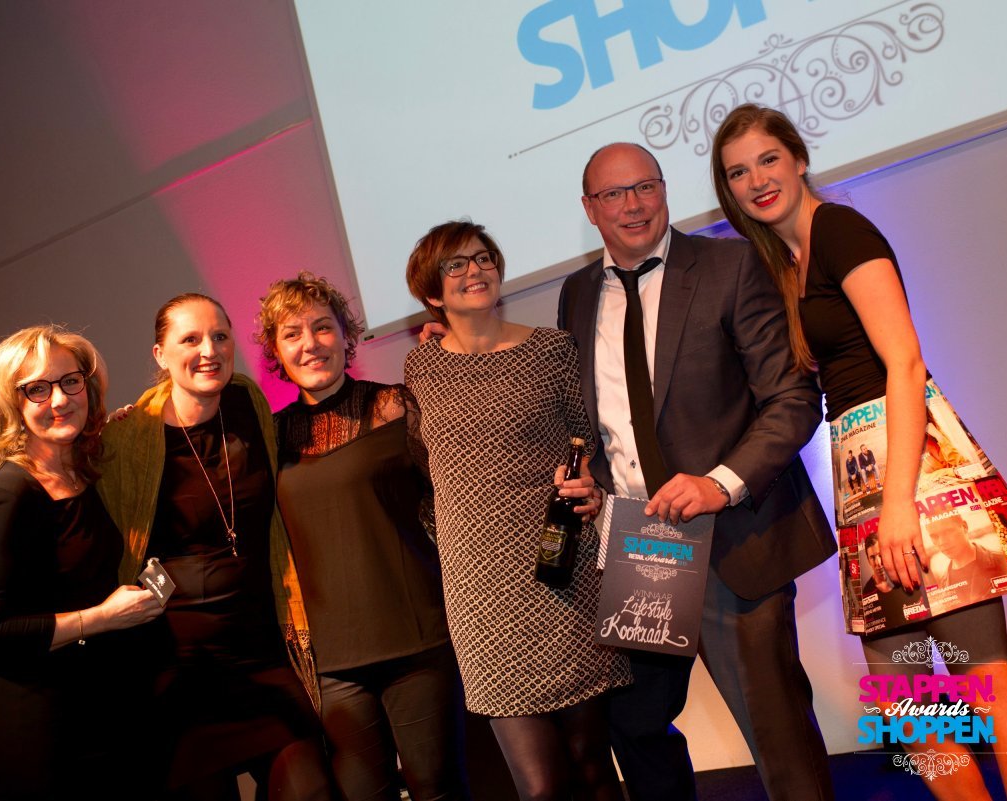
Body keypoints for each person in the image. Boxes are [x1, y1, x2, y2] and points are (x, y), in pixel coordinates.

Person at [712, 102, 1007, 801]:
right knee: (904, 695)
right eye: (738, 172)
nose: (757, 180)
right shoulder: (787, 260)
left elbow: (904, 362)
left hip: (912, 469)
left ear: (799, 159)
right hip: (863, 472)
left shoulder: (840, 229)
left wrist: (899, 503)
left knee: (982, 671)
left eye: (768, 160)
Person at [560, 142, 836, 801]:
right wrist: (590, 481)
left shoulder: (728, 266)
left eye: (645, 187)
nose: (633, 205)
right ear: (590, 209)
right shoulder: (577, 293)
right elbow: (598, 414)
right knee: (634, 725)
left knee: (774, 731)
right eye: (614, 194)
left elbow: (793, 398)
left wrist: (719, 483)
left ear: (664, 190)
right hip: (637, 546)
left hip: (731, 540)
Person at [404, 220, 631, 801]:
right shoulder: (421, 369)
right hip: (480, 595)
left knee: (591, 764)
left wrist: (591, 491)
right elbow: (427, 473)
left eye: (483, 258)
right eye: (456, 264)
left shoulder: (551, 350)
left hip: (559, 574)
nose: (475, 270)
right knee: (540, 787)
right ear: (431, 291)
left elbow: (589, 443)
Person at [97, 293, 335, 800]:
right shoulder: (126, 439)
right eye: (190, 339)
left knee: (312, 788)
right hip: (178, 671)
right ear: (160, 354)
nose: (209, 350)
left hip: (261, 653)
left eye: (220, 336)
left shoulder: (246, 402)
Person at [256, 273, 467, 801]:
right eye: (292, 334)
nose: (310, 344)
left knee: (437, 790)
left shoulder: (396, 406)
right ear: (276, 353)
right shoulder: (270, 440)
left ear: (346, 336)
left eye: (322, 327)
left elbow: (460, 494)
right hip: (332, 664)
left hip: (418, 640)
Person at [0, 325, 165, 801]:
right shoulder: (11, 490)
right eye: (37, 388)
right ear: (12, 403)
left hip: (82, 707)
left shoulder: (81, 470)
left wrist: (126, 430)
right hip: (26, 722)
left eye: (70, 381)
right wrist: (103, 618)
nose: (59, 400)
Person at [927, 515, 1007, 609]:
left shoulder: (1003, 562)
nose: (942, 542)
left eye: (948, 532)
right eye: (934, 536)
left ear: (964, 526)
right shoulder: (943, 585)